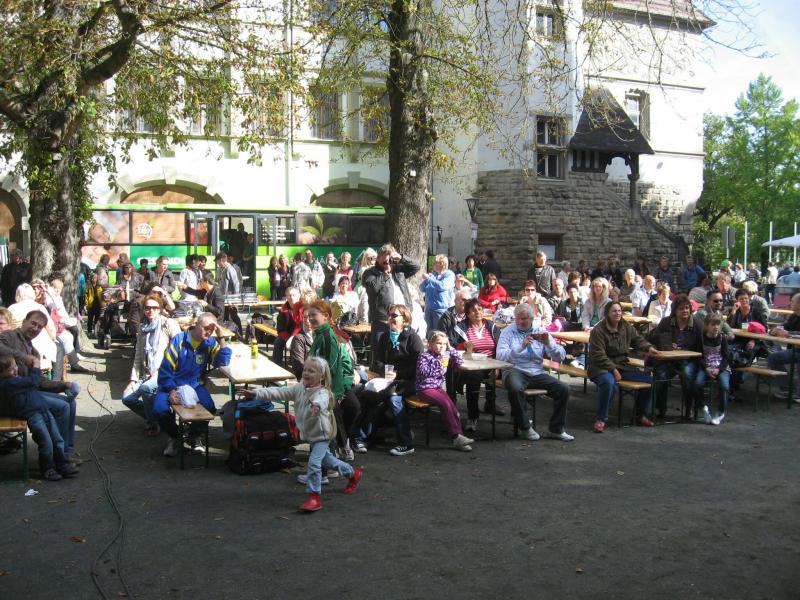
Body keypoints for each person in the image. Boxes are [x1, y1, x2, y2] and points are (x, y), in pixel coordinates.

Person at [239, 356, 362, 512]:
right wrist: (256, 393)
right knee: (328, 460)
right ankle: (353, 474)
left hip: (322, 435)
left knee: (314, 463)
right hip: (310, 434)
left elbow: (322, 401)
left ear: (321, 376)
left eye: (311, 371)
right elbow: (279, 392)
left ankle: (314, 497)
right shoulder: (299, 388)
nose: (306, 373)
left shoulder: (323, 393)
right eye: (305, 369)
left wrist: (317, 406)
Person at [0, 311, 79, 459]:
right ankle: (60, 456)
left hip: (26, 394)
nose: (35, 328)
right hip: (11, 398)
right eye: (33, 323)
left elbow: (40, 382)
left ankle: (67, 450)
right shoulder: (9, 336)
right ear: (24, 321)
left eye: (40, 327)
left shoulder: (34, 350)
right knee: (62, 407)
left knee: (70, 402)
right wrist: (24, 358)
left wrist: (63, 385)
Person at [155, 312, 232, 457]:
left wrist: (221, 338)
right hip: (171, 383)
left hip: (194, 385)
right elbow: (165, 369)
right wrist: (171, 390)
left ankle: (194, 435)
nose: (208, 332)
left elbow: (222, 362)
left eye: (212, 329)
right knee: (159, 410)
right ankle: (175, 436)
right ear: (196, 325)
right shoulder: (179, 340)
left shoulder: (209, 343)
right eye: (205, 328)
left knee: (210, 407)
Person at [496, 302, 573, 441]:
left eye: (524, 319)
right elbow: (500, 356)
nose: (520, 322)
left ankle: (556, 429)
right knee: (515, 387)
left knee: (563, 389)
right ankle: (525, 427)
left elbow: (560, 356)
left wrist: (548, 344)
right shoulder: (507, 332)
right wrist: (521, 346)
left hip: (537, 372)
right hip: (515, 369)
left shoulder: (540, 331)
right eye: (518, 318)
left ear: (532, 318)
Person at [0, 353, 78, 481]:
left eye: (15, 366)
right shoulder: (9, 383)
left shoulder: (15, 379)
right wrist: (35, 367)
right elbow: (33, 381)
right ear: (1, 373)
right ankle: (47, 469)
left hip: (42, 409)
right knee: (46, 442)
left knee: (57, 439)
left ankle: (61, 464)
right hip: (33, 415)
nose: (15, 370)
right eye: (10, 369)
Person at [588, 301, 660, 432]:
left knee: (649, 382)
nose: (617, 313)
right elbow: (598, 355)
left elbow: (637, 340)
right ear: (607, 314)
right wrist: (613, 369)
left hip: (622, 366)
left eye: (619, 311)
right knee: (609, 384)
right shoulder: (598, 330)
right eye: (614, 311)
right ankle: (601, 419)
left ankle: (640, 415)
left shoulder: (626, 327)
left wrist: (648, 348)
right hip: (600, 367)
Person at [306, 300, 360, 460]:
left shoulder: (328, 336)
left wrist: (336, 393)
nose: (310, 319)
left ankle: (340, 447)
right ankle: (334, 453)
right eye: (309, 316)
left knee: (347, 409)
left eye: (314, 315)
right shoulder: (319, 335)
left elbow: (332, 368)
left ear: (326, 316)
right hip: (320, 388)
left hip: (328, 389)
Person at [368, 304, 424, 456]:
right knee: (370, 395)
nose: (390, 318)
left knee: (394, 399)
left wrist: (398, 374)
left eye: (394, 315)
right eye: (389, 315)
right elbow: (377, 361)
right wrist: (385, 372)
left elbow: (418, 366)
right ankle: (366, 437)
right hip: (388, 380)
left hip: (410, 381)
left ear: (404, 319)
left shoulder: (413, 338)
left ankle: (406, 443)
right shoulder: (385, 337)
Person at [122, 294, 181, 436]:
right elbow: (138, 355)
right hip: (145, 372)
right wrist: (133, 379)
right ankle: (158, 418)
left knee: (146, 388)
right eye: (147, 308)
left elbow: (179, 350)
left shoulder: (168, 324)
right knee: (127, 398)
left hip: (164, 372)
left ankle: (153, 423)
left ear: (160, 309)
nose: (151, 311)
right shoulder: (142, 327)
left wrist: (161, 371)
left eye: (155, 307)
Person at [415, 331, 474, 451]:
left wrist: (451, 349)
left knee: (452, 406)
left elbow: (460, 361)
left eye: (444, 343)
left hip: (437, 388)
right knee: (445, 403)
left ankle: (459, 438)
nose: (441, 346)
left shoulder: (445, 354)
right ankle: (455, 436)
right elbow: (423, 373)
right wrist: (438, 362)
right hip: (425, 388)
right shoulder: (425, 356)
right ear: (430, 344)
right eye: (438, 343)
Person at [361, 244, 420, 364]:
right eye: (385, 258)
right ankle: (377, 374)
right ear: (378, 258)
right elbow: (373, 288)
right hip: (382, 321)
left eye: (390, 258)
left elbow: (416, 267)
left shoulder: (398, 270)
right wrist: (385, 273)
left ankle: (400, 373)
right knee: (378, 357)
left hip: (402, 320)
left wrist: (402, 258)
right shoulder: (370, 273)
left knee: (402, 354)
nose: (388, 261)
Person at [649, 294, 702, 417]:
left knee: (687, 375)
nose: (685, 311)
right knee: (661, 375)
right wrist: (666, 343)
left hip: (689, 360)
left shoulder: (697, 324)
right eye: (681, 308)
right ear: (675, 310)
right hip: (669, 360)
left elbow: (702, 345)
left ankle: (689, 408)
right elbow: (653, 338)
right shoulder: (666, 322)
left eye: (687, 308)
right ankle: (661, 408)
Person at [455, 298, 503, 430]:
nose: (477, 312)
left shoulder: (491, 326)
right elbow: (452, 346)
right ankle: (472, 416)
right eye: (473, 310)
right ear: (467, 313)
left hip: (492, 362)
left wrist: (498, 366)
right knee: (474, 376)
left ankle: (490, 404)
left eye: (480, 309)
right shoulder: (461, 327)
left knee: (500, 373)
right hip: (471, 364)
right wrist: (463, 346)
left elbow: (501, 347)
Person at [693, 314, 731, 425]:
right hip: (706, 366)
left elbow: (727, 357)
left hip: (720, 366)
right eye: (713, 324)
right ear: (707, 326)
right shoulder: (701, 338)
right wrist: (706, 368)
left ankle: (720, 412)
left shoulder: (722, 338)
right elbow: (699, 356)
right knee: (697, 383)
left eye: (718, 324)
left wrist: (719, 369)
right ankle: (702, 406)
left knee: (724, 386)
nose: (716, 327)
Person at [767, 293, 800, 399]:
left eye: (793, 301)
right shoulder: (794, 316)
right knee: (773, 358)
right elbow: (783, 327)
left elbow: (789, 332)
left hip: (797, 351)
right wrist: (774, 330)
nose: (790, 303)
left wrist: (789, 334)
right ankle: (788, 389)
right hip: (794, 350)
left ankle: (797, 394)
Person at [419, 254, 455, 332]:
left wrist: (429, 279)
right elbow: (421, 288)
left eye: (435, 262)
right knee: (429, 333)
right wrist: (426, 280)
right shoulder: (433, 275)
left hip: (440, 310)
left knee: (439, 333)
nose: (433, 264)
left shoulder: (449, 275)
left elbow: (442, 286)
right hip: (429, 309)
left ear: (442, 264)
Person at [273, 286, 302, 365]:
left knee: (297, 343)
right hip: (287, 334)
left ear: (299, 295)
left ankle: (297, 366)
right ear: (286, 297)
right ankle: (276, 365)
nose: (292, 297)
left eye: (294, 295)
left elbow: (301, 325)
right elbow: (280, 328)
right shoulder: (284, 310)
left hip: (301, 334)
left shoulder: (303, 308)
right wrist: (288, 338)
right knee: (278, 342)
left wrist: (293, 338)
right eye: (289, 295)